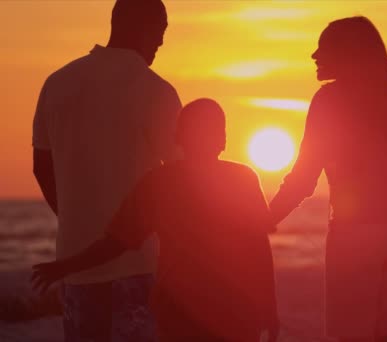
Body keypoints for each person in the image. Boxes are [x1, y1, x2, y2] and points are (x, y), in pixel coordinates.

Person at [32, 99, 279, 342]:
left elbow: (115, 243)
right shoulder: (242, 179)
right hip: (231, 315)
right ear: (222, 139)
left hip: (183, 313)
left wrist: (66, 266)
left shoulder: (159, 182)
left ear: (179, 136)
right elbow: (259, 249)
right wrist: (270, 307)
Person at [269, 16, 387, 342]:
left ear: (348, 53)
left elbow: (304, 176)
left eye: (324, 47)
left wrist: (265, 217)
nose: (314, 56)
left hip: (356, 233)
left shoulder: (330, 101)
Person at [31, 0, 181, 340]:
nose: (160, 41)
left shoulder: (56, 83)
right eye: (160, 30)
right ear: (137, 26)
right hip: (138, 263)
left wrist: (73, 218)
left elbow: (42, 167)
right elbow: (181, 181)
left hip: (74, 262)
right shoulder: (156, 90)